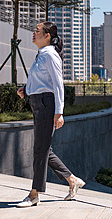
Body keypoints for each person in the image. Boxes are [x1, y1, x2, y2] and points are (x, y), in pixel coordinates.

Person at [16, 21, 85, 207]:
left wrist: (58, 112)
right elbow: (42, 81)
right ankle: (72, 180)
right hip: (38, 103)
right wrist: (26, 90)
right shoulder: (41, 55)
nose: (33, 33)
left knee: (40, 150)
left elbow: (57, 84)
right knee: (45, 149)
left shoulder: (51, 55)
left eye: (37, 30)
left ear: (47, 36)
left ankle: (34, 194)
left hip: (47, 105)